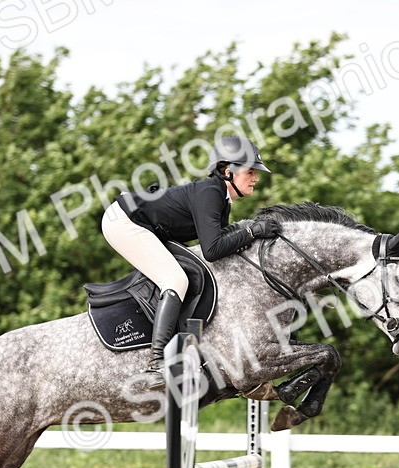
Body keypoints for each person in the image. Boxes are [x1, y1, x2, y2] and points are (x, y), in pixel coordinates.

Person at [101, 134, 282, 388]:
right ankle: (157, 364)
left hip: (144, 225)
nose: (256, 178)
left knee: (188, 274)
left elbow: (222, 241)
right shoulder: (211, 193)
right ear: (228, 171)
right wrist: (252, 231)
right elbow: (213, 249)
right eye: (250, 172)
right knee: (175, 280)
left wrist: (250, 229)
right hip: (124, 222)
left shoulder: (220, 199)